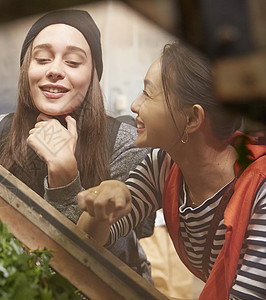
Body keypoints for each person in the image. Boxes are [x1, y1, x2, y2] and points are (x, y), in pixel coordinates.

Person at [0, 9, 152, 280]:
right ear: (26, 68)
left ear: (93, 74)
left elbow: (102, 264)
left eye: (74, 62)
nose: (54, 70)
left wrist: (65, 180)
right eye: (42, 59)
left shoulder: (125, 144)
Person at [77, 41, 266, 299]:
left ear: (191, 119)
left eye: (147, 93)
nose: (134, 105)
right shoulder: (163, 167)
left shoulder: (261, 193)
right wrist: (106, 200)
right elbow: (89, 239)